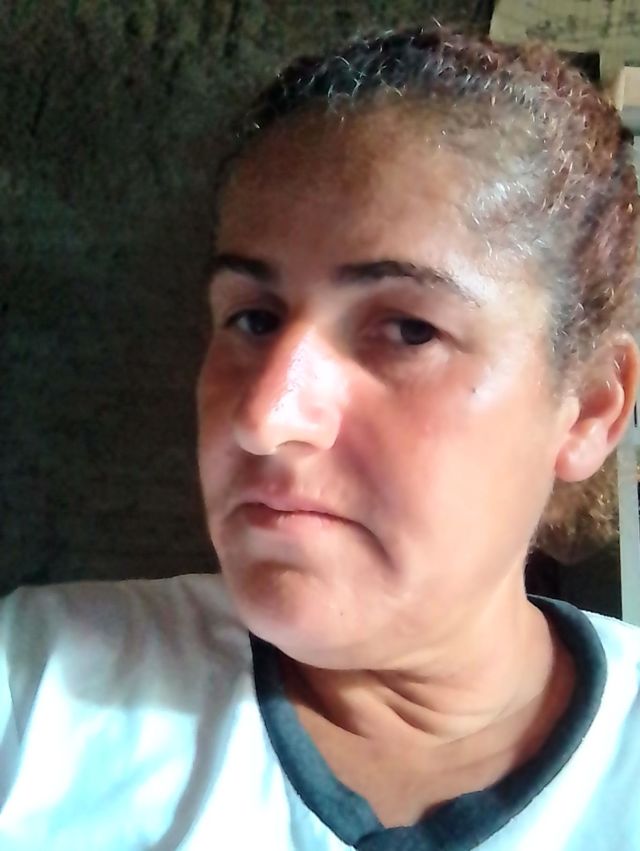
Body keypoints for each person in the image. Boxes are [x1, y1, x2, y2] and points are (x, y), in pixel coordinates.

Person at [1, 26, 640, 851]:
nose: (265, 413)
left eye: (408, 330)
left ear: (588, 407)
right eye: (253, 319)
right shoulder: (38, 693)